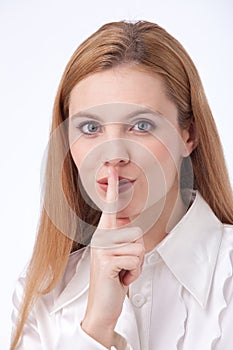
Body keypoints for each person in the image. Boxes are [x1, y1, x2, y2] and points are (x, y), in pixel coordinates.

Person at [10, 20, 233, 350]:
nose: (112, 154)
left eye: (141, 125)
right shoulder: (41, 291)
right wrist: (96, 326)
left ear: (189, 136)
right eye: (89, 128)